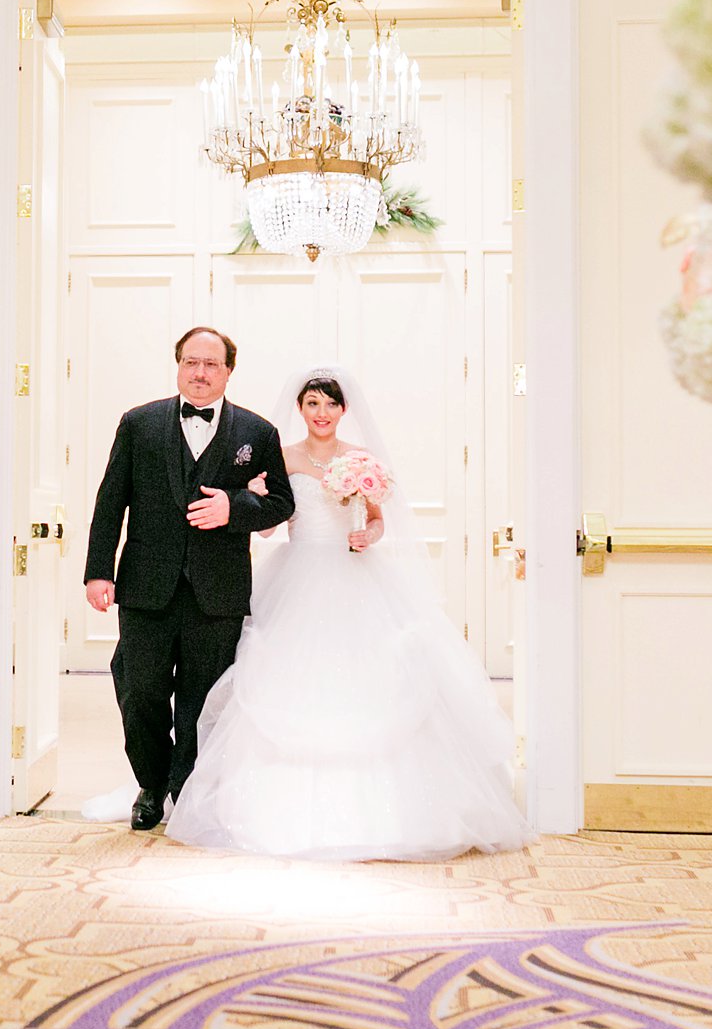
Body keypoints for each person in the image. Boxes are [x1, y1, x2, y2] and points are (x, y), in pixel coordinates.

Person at [166, 367, 534, 862]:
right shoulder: (283, 456)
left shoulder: (362, 461)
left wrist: (367, 536)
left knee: (377, 678)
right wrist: (253, 499)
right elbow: (271, 526)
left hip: (357, 575)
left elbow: (378, 521)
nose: (321, 414)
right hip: (297, 574)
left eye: (330, 405)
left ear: (344, 411)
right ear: (301, 409)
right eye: (312, 404)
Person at [84, 327, 295, 831]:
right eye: (191, 363)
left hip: (216, 592)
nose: (200, 373)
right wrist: (98, 572)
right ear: (178, 365)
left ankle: (189, 789)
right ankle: (151, 782)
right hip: (145, 587)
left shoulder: (257, 433)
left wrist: (234, 506)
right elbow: (111, 500)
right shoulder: (139, 424)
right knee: (140, 692)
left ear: (228, 371)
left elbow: (282, 502)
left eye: (212, 365)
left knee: (203, 701)